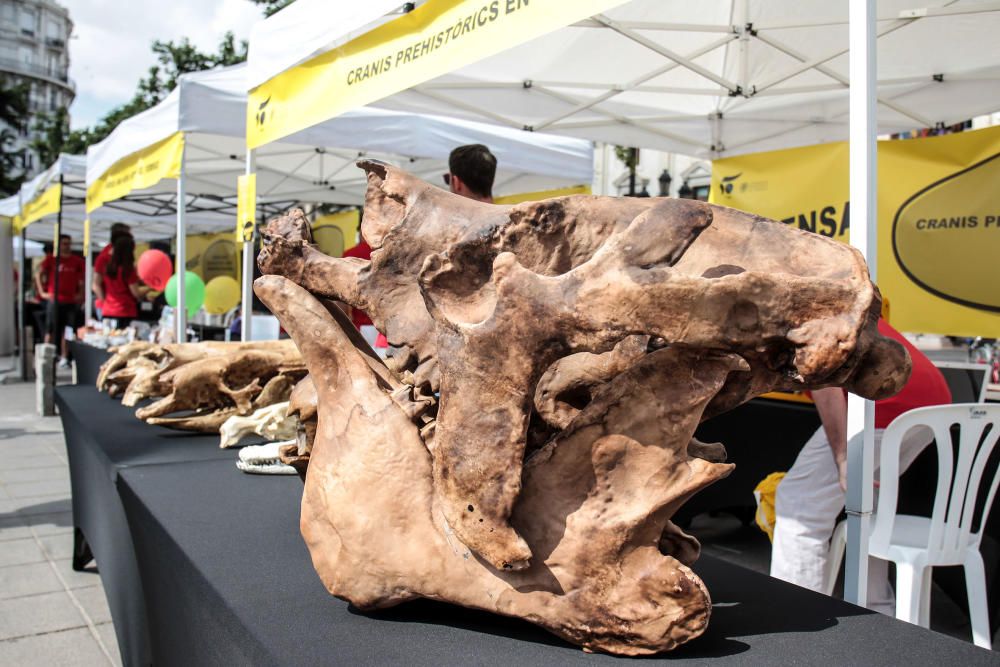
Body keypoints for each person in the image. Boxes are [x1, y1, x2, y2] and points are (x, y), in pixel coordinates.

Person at [770, 318, 952, 614]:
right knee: (866, 504)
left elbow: (824, 384)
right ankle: (876, 607)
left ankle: (796, 615)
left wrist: (843, 456)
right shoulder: (836, 293)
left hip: (884, 402)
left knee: (799, 504)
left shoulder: (800, 312)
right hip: (929, 402)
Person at [35, 234, 85, 367]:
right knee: (50, 330)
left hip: (70, 301)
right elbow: (38, 274)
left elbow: (81, 281)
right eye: (64, 243)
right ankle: (46, 357)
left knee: (68, 331)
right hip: (54, 300)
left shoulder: (77, 261)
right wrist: (42, 292)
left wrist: (80, 294)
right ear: (59, 245)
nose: (67, 246)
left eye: (68, 243)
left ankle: (64, 356)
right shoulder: (51, 260)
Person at [98, 234, 150, 329]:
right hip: (125, 311)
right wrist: (150, 288)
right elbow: (136, 293)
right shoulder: (128, 270)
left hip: (108, 310)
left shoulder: (108, 267)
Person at [92, 223, 132, 318]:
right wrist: (104, 302)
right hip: (109, 307)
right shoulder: (105, 256)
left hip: (122, 306)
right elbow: (95, 284)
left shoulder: (124, 253)